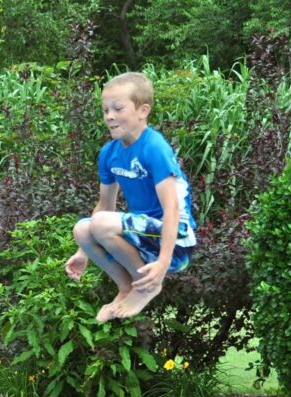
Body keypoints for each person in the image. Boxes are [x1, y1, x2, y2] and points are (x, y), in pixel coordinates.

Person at [64, 72, 198, 322]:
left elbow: (172, 208)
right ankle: (126, 287)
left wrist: (161, 265)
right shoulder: (109, 153)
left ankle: (146, 285)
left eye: (117, 108)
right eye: (105, 110)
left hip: (177, 240)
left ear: (142, 110)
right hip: (145, 236)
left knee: (102, 223)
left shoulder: (154, 147)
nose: (109, 116)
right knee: (82, 230)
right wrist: (83, 253)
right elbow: (105, 205)